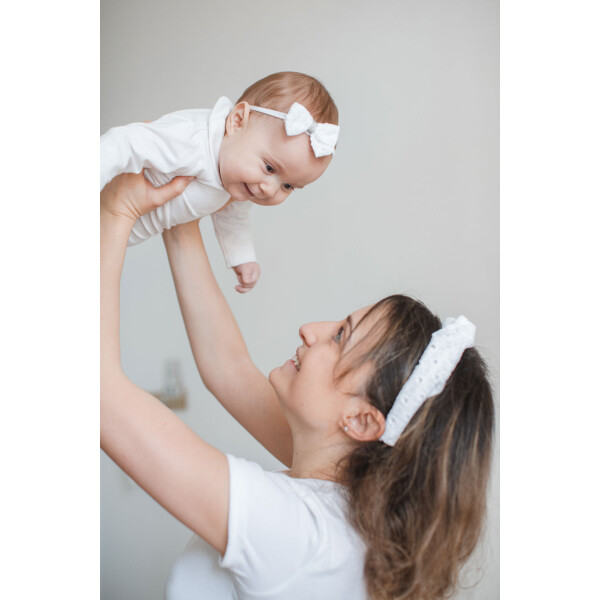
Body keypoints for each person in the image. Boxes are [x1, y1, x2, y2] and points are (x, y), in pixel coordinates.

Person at [100, 173, 495, 600]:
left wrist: (115, 211)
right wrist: (180, 210)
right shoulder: (347, 498)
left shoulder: (304, 536)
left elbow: (98, 394)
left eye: (341, 336)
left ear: (363, 419)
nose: (310, 330)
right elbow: (228, 369)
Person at [100, 71, 339, 293]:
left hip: (113, 239)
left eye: (287, 186)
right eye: (269, 168)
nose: (269, 189)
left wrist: (242, 255)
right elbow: (124, 142)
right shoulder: (192, 141)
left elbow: (233, 213)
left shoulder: (242, 180)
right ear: (236, 122)